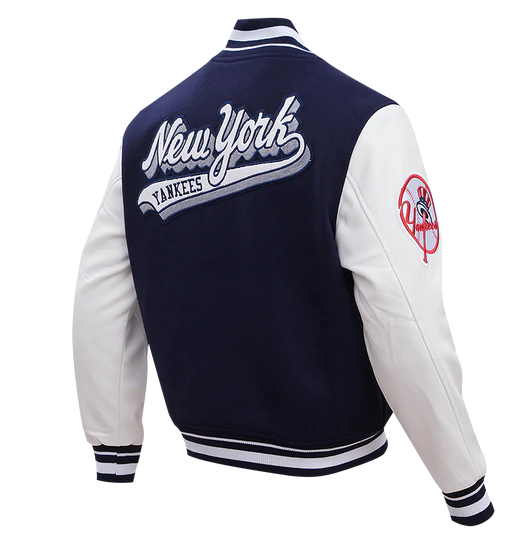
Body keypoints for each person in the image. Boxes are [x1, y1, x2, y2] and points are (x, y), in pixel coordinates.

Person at [67, 13, 495, 527]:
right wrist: (464, 485)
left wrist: (114, 451)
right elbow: (408, 317)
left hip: (194, 455)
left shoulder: (142, 130)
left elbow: (98, 298)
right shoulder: (365, 120)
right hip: (336, 464)